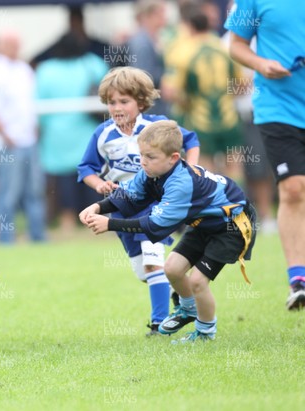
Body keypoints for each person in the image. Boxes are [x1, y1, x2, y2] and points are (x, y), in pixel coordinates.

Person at [79, 120, 256, 342]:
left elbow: (154, 225)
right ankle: (189, 310)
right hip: (204, 223)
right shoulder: (151, 172)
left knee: (198, 282)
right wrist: (97, 207)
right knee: (172, 269)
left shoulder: (180, 184)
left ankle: (205, 333)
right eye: (141, 155)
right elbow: (128, 196)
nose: (143, 162)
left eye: (150, 157)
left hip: (232, 226)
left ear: (173, 158)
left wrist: (109, 224)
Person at [77, 67, 200, 336]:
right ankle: (180, 291)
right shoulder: (103, 134)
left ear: (141, 102)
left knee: (153, 261)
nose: (117, 107)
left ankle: (159, 324)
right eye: (111, 102)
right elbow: (85, 168)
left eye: (124, 101)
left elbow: (191, 140)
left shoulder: (156, 128)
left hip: (156, 202)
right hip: (123, 205)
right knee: (144, 272)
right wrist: (100, 184)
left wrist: (189, 172)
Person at [225, 1, 305, 311]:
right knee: (294, 187)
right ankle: (298, 280)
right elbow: (236, 45)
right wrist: (261, 64)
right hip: (278, 107)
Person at [35, 33, 109, 234]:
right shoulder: (93, 63)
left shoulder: (46, 70)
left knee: (62, 179)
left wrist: (39, 129)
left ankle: (67, 221)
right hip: (88, 131)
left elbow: (38, 103)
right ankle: (94, 222)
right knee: (92, 174)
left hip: (56, 135)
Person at [161, 1, 244, 178]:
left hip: (200, 121)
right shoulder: (223, 47)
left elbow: (170, 92)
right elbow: (242, 85)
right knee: (234, 169)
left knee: (204, 171)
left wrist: (186, 102)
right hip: (228, 118)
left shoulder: (182, 51)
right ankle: (238, 204)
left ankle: (213, 205)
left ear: (189, 26)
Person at [0, 30, 46, 244]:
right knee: (7, 193)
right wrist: (6, 136)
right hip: (7, 143)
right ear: (0, 46)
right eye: (11, 44)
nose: (15, 49)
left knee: (34, 190)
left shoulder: (24, 69)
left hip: (28, 139)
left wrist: (34, 129)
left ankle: (38, 236)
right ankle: (5, 238)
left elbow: (30, 104)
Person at [127, 0, 170, 117]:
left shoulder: (153, 38)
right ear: (152, 15)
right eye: (162, 13)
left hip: (156, 105)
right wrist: (167, 77)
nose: (165, 17)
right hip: (150, 108)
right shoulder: (141, 41)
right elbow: (143, 75)